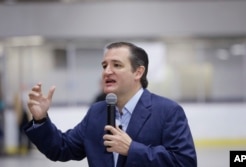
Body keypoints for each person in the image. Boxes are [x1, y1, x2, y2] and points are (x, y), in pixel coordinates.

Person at [24, 42, 197, 167]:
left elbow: (185, 162)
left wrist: (132, 149)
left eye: (117, 65)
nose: (107, 71)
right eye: (104, 65)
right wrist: (40, 120)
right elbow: (62, 149)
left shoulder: (167, 111)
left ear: (138, 72)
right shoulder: (97, 112)